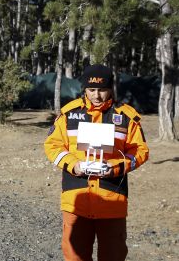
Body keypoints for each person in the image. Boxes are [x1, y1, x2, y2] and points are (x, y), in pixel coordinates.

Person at [44, 64, 149, 261]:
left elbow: (140, 151)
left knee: (113, 256)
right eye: (91, 90)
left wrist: (116, 166)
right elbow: (53, 146)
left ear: (111, 89)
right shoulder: (69, 113)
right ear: (84, 88)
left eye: (102, 90)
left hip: (112, 200)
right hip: (76, 200)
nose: (97, 96)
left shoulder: (127, 117)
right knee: (74, 256)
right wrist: (72, 164)